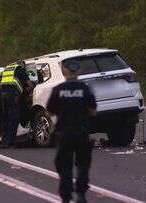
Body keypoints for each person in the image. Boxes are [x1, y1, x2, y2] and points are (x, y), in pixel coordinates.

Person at [46, 61, 97, 203]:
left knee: (64, 166)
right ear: (78, 71)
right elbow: (93, 111)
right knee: (83, 165)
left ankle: (66, 196)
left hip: (64, 133)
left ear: (64, 72)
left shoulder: (58, 89)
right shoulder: (85, 88)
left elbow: (50, 110)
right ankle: (81, 194)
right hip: (82, 132)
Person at [0, 61, 35, 148]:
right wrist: (33, 90)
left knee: (6, 118)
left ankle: (3, 141)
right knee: (14, 118)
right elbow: (29, 84)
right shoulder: (20, 69)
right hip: (12, 95)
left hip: (3, 95)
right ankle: (10, 142)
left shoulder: (7, 68)